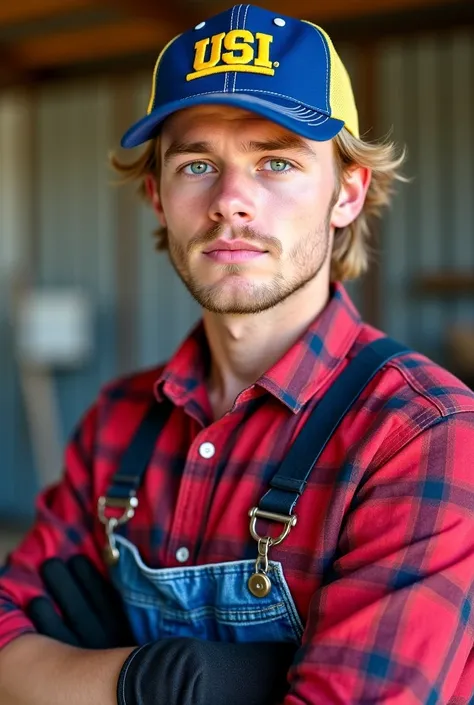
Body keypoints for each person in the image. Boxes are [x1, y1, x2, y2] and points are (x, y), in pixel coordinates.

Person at [1, 3, 474, 704]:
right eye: (198, 164)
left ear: (346, 192)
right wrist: (159, 683)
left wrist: (69, 675)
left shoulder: (422, 433)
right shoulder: (118, 422)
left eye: (276, 160)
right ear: (158, 195)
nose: (231, 201)